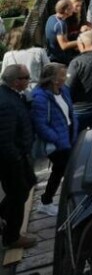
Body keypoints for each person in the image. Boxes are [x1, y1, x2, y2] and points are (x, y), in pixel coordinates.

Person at [30, 63, 78, 216]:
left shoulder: (63, 90)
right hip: (58, 143)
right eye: (63, 75)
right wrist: (56, 138)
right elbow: (40, 124)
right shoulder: (40, 97)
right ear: (53, 79)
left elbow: (70, 110)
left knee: (61, 171)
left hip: (68, 135)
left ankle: (49, 200)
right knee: (64, 170)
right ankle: (47, 201)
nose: (66, 78)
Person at [0, 64, 38, 250]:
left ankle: (2, 216)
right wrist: (16, 159)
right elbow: (5, 138)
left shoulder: (11, 96)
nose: (29, 80)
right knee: (19, 193)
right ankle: (12, 237)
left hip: (18, 155)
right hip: (12, 160)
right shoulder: (6, 102)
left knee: (28, 184)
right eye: (26, 77)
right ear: (16, 81)